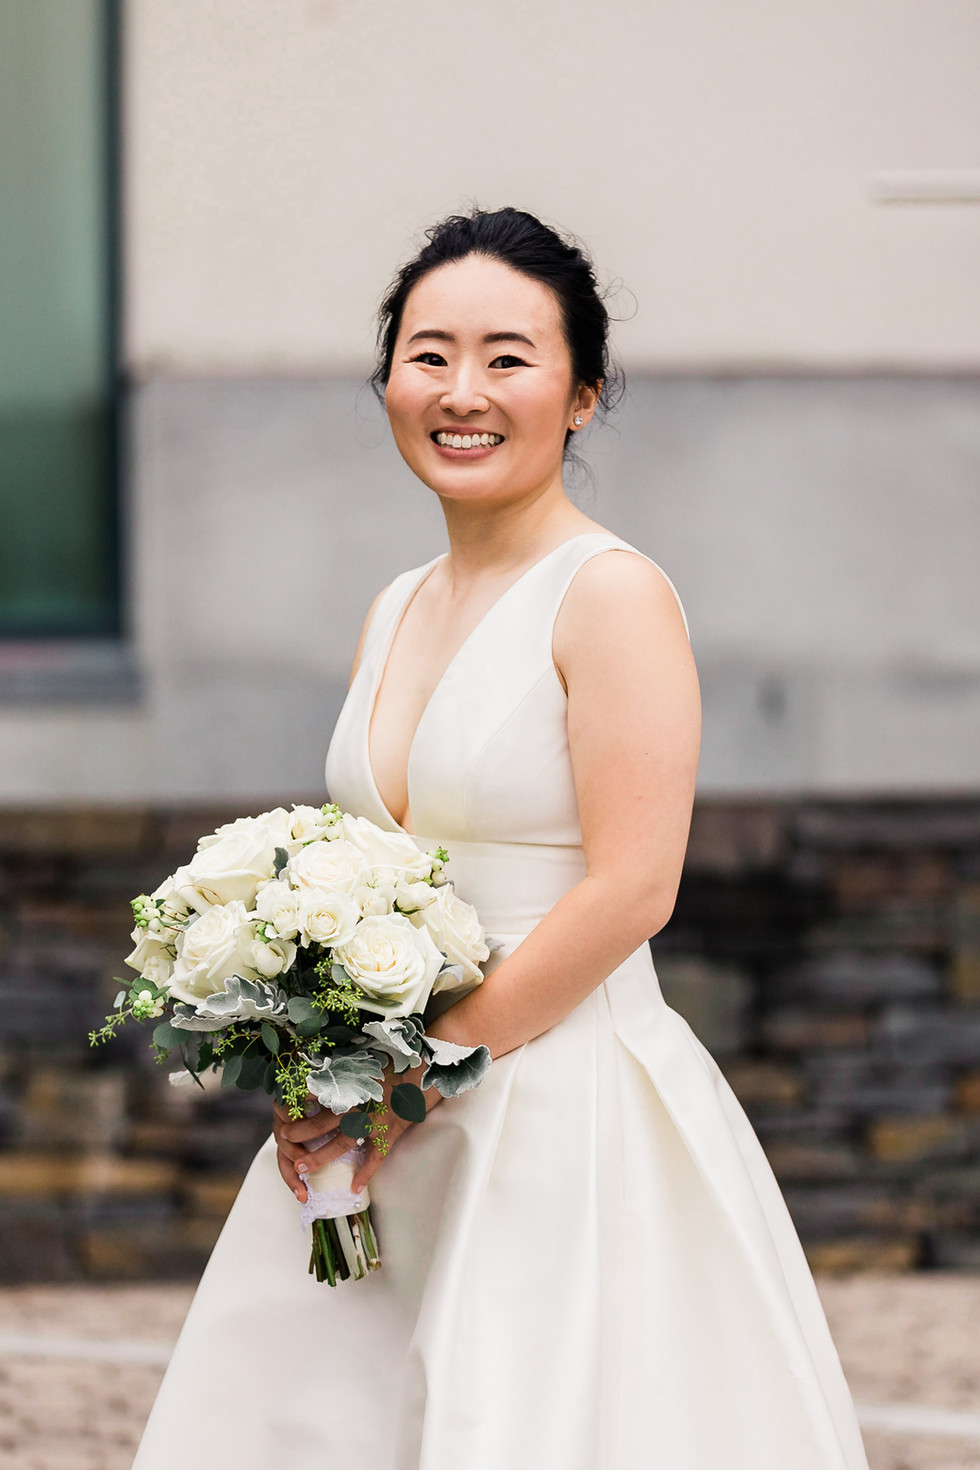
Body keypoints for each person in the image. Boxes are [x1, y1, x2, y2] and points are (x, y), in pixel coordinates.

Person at [133, 207, 869, 1469]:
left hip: (556, 1103)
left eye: (507, 357)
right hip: (385, 1112)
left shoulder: (612, 594)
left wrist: (420, 1073)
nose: (460, 392)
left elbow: (634, 887)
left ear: (581, 394)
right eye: (428, 355)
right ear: (387, 383)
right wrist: (320, 1050)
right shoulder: (395, 603)